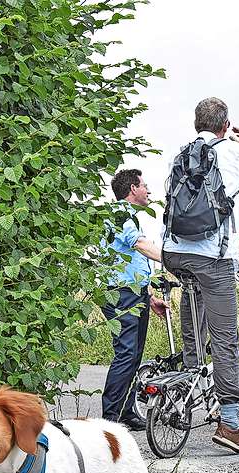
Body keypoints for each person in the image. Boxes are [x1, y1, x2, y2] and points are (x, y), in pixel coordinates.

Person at [162, 97, 239, 454]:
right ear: (225, 126)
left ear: (196, 122)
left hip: (174, 253)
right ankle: (229, 423)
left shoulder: (180, 154)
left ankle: (187, 386)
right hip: (213, 258)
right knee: (225, 339)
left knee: (193, 322)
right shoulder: (232, 152)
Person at [100, 168, 166, 431]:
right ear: (132, 190)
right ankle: (109, 419)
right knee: (126, 353)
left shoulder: (131, 218)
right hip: (119, 293)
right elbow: (140, 246)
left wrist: (149, 296)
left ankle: (125, 412)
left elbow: (132, 261)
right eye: (144, 185)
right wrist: (177, 259)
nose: (148, 190)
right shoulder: (119, 215)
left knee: (134, 354)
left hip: (134, 293)